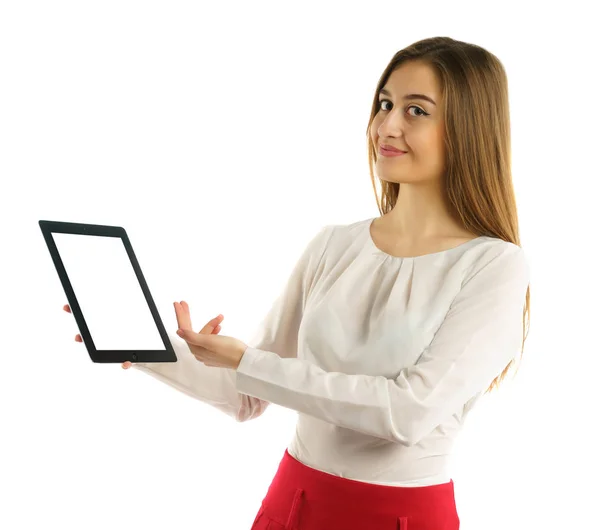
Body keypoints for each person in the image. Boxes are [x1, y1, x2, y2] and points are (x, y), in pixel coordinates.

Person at [63, 36, 531, 530]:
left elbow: (407, 414)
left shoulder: (494, 266)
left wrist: (246, 361)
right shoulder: (334, 245)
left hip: (400, 517)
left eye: (416, 111)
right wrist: (143, 345)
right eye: (385, 103)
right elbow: (247, 393)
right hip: (295, 502)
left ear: (468, 130)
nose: (387, 125)